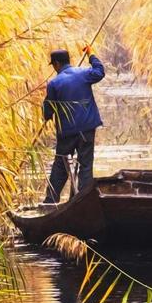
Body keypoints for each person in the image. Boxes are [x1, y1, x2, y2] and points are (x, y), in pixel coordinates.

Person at [43, 46, 105, 203]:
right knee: (85, 165)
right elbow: (100, 71)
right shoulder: (84, 73)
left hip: (67, 133)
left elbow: (48, 110)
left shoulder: (54, 83)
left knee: (60, 167)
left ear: (56, 64)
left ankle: (50, 201)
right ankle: (84, 200)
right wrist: (91, 54)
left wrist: (46, 114)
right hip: (87, 129)